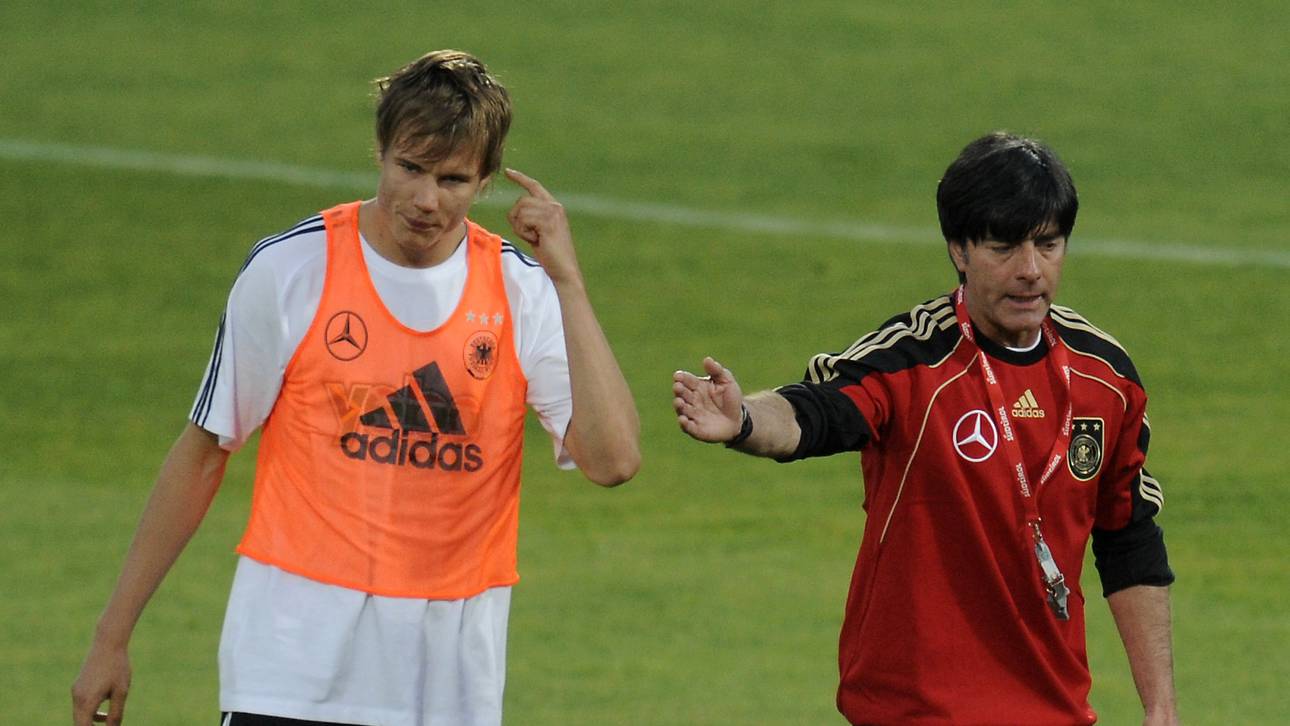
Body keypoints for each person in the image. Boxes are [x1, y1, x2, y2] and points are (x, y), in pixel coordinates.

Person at [72, 49, 640, 726]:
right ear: (379, 151)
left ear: (487, 181)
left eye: (453, 179)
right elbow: (202, 454)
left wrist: (567, 281)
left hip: (449, 684)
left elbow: (613, 461)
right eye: (410, 168)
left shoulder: (521, 291)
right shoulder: (291, 271)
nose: (426, 200)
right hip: (288, 669)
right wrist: (112, 635)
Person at [673, 132, 1178, 725]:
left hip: (1053, 711)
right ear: (960, 251)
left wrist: (1160, 708)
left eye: (1048, 244)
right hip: (914, 711)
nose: (1030, 271)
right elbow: (818, 412)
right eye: (1004, 247)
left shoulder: (1105, 378)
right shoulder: (913, 359)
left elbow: (1129, 539)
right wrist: (745, 420)